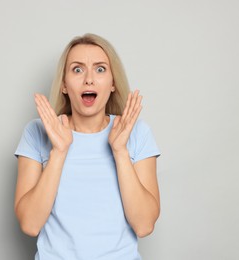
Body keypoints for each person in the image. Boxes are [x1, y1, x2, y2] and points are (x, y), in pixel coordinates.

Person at [14, 33, 161, 260]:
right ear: (63, 84)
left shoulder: (136, 133)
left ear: (113, 83)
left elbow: (144, 225)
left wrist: (120, 151)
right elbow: (30, 224)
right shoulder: (36, 132)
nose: (89, 79)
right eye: (77, 69)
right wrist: (59, 152)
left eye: (100, 69)